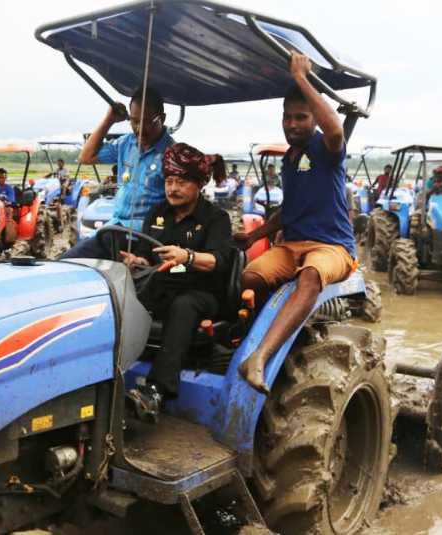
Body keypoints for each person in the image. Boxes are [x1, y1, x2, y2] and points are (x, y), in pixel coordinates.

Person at [234, 52, 358, 394]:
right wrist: (252, 237)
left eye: (301, 117)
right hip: (292, 245)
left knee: (311, 277)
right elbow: (288, 212)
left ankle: (260, 356)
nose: (292, 124)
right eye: (287, 118)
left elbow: (335, 129)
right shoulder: (290, 159)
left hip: (331, 247)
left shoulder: (327, 148)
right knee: (247, 276)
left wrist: (302, 78)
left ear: (314, 120)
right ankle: (247, 336)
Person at [121, 143, 232, 420]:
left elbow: (219, 262)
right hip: (163, 284)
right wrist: (138, 262)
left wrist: (188, 256)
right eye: (169, 181)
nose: (173, 188)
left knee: (183, 306)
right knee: (119, 295)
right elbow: (148, 258)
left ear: (199, 184)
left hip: (202, 292)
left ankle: (156, 391)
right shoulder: (157, 213)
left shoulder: (216, 218)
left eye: (181, 182)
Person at [62, 87, 175, 259]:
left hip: (145, 237)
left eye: (147, 122)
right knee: (68, 262)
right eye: (134, 121)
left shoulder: (172, 154)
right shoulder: (126, 144)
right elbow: (86, 156)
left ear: (162, 118)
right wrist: (109, 120)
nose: (139, 129)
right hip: (115, 229)